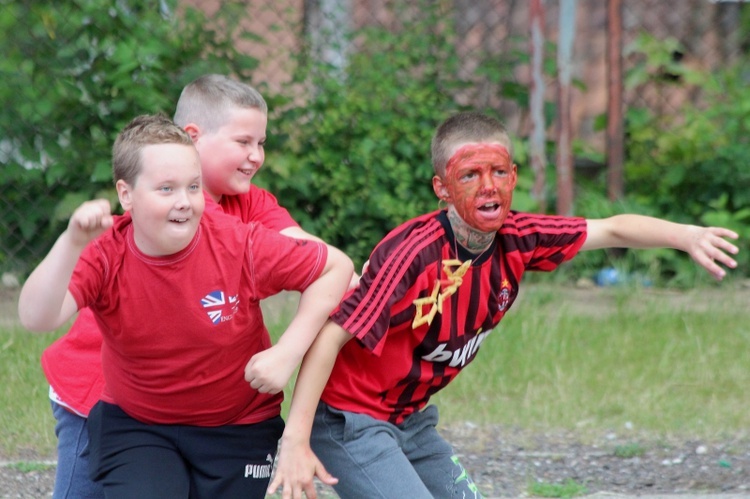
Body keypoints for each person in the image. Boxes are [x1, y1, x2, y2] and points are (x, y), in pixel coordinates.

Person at [268, 111, 740, 499]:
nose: (488, 186)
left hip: (412, 421)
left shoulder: (520, 237)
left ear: (514, 176)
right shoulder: (413, 254)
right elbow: (331, 335)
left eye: (498, 173)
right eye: (469, 175)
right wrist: (296, 440)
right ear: (442, 188)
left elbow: (612, 229)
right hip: (352, 421)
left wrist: (687, 235)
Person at [38, 74, 342, 498]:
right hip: (100, 386)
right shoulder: (148, 211)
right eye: (243, 142)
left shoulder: (249, 206)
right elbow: (46, 309)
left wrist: (360, 282)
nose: (256, 156)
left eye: (262, 143)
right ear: (193, 138)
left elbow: (320, 259)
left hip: (205, 401)